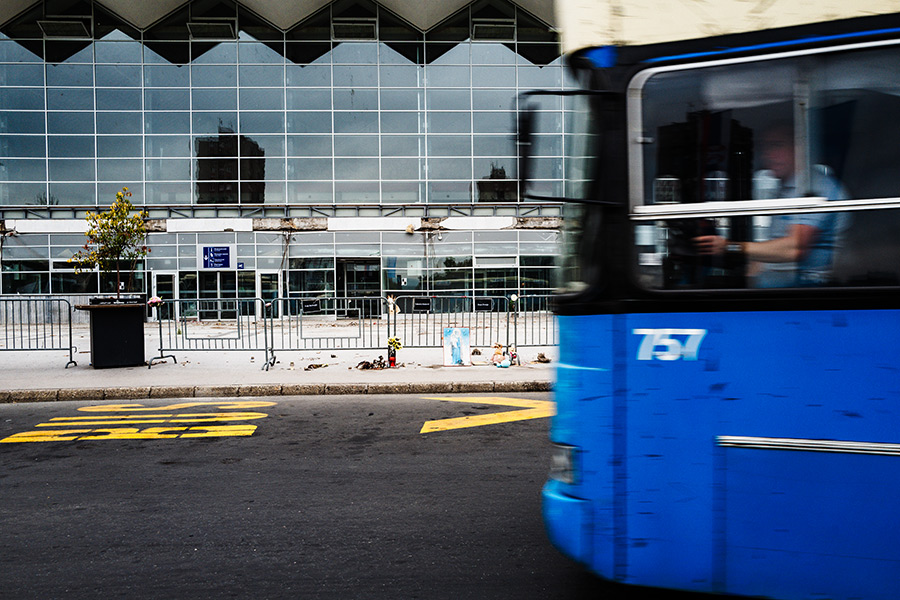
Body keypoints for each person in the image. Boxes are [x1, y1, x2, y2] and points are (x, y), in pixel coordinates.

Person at [694, 123, 849, 287]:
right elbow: (770, 254)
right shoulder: (787, 189)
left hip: (807, 287)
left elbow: (794, 248)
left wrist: (730, 247)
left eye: (777, 145)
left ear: (799, 148)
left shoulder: (816, 187)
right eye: (765, 147)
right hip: (778, 282)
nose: (768, 154)